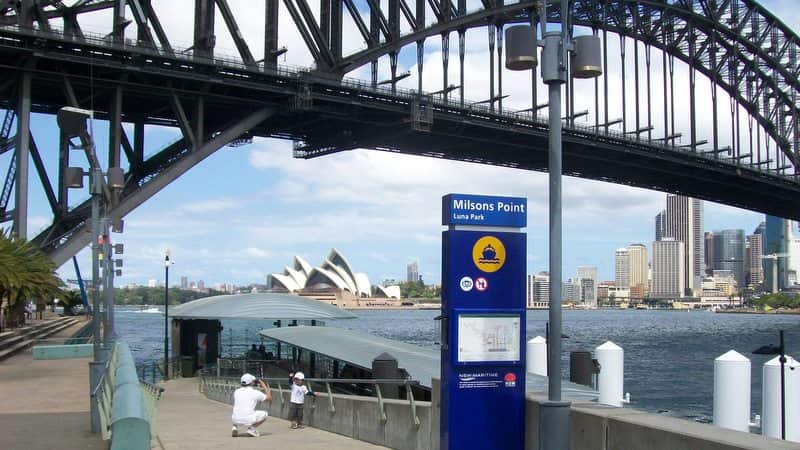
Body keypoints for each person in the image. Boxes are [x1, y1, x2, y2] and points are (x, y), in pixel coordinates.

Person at [231, 373, 272, 437]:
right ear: (252, 382)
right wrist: (263, 385)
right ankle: (251, 429)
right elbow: (269, 398)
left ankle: (234, 427)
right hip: (248, 419)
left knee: (238, 410)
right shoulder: (255, 392)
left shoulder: (236, 391)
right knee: (265, 414)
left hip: (235, 419)